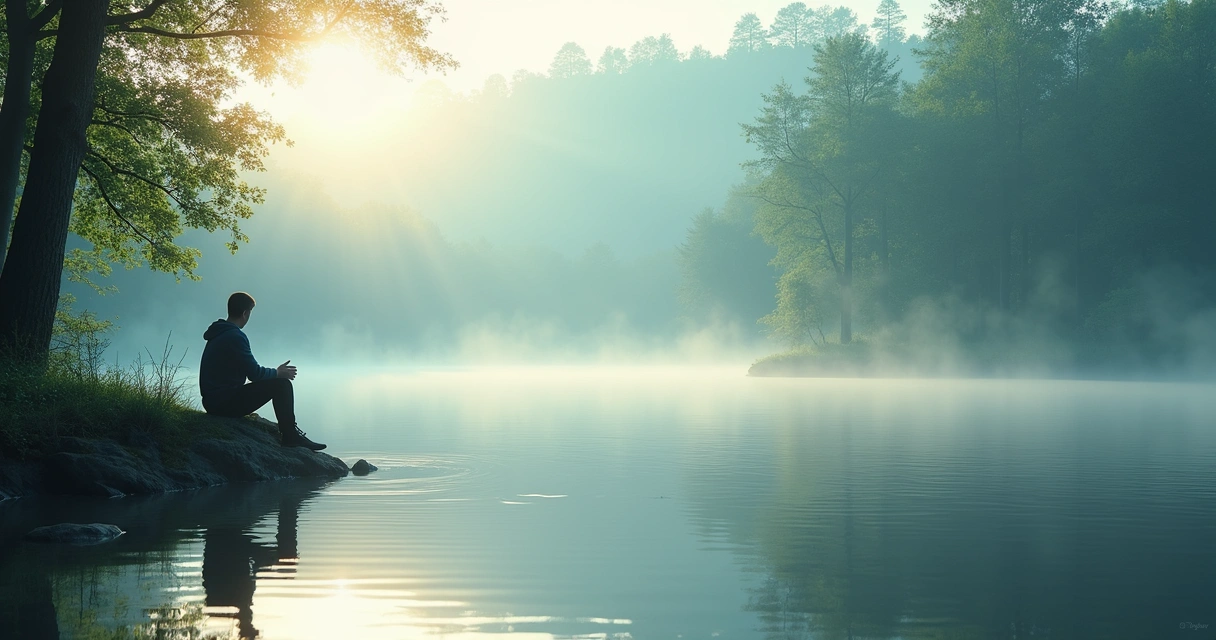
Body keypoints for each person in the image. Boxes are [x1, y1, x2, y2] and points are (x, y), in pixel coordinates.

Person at [199, 292, 326, 451]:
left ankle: (290, 433)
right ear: (245, 313)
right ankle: (290, 436)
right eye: (250, 313)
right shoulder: (235, 336)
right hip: (223, 404)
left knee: (279, 383)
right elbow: (255, 374)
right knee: (282, 385)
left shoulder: (219, 333)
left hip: (212, 402)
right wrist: (278, 373)